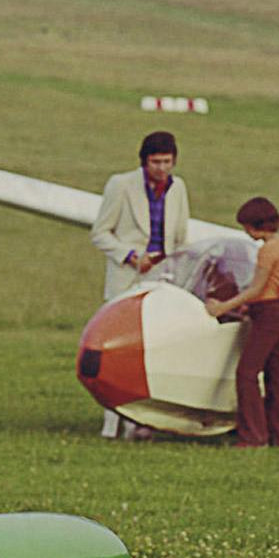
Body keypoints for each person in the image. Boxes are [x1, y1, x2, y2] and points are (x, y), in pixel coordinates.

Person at [89, 131, 190, 437]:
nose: (161, 168)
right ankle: (111, 424)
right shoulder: (121, 185)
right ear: (144, 162)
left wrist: (174, 267)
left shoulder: (178, 188)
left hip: (161, 278)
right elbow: (100, 233)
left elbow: (181, 236)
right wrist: (132, 256)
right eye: (156, 162)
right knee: (118, 353)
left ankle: (143, 421)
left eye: (167, 162)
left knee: (154, 350)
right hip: (127, 277)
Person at [212, 196, 279, 448]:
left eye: (247, 226)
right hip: (274, 311)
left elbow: (256, 288)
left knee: (246, 373)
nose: (246, 232)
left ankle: (253, 436)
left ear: (256, 225)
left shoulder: (268, 250)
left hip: (267, 315)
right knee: (274, 375)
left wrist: (223, 307)